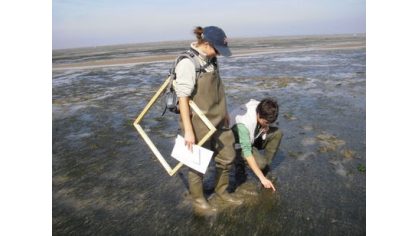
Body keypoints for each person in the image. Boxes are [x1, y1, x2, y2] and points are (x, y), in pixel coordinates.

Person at [174, 26, 242, 214]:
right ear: (208, 43)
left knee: (228, 156)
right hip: (197, 123)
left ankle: (221, 192)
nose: (219, 54)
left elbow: (219, 89)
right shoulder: (187, 62)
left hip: (219, 119)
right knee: (197, 164)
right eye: (218, 49)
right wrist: (188, 131)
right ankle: (198, 200)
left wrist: (225, 111)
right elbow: (183, 99)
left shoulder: (212, 59)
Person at [230, 98, 283, 191]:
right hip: (236, 145)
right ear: (258, 114)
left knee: (277, 133)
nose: (268, 124)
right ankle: (240, 163)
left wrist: (265, 126)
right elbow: (247, 152)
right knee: (260, 163)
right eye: (266, 122)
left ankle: (264, 168)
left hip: (253, 136)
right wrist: (262, 179)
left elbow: (268, 122)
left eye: (270, 123)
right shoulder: (244, 124)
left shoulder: (262, 108)